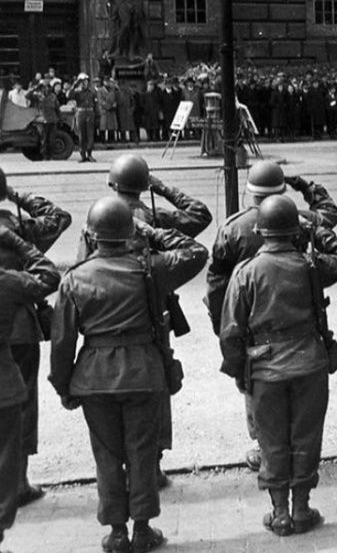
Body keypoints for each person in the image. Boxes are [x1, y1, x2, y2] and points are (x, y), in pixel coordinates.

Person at [50, 197, 207, 553]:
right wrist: (151, 230)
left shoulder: (75, 279)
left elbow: (62, 342)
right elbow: (196, 251)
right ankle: (142, 529)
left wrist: (63, 385)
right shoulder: (150, 268)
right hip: (143, 372)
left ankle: (117, 532)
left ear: (90, 234)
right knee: (141, 451)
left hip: (94, 377)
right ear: (130, 231)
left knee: (106, 455)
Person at [219, 195, 337, 537]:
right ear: (295, 229)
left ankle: (279, 513)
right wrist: (316, 229)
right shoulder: (309, 265)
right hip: (309, 361)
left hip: (264, 368)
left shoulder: (245, 272)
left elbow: (231, 331)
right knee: (306, 436)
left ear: (260, 231)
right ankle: (302, 507)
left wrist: (237, 371)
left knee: (272, 440)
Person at [206, 161, 337, 470]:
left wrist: (222, 325)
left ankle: (264, 448)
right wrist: (307, 186)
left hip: (253, 326)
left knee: (257, 386)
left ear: (249, 192)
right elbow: (330, 215)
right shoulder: (300, 220)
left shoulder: (232, 228)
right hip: (301, 326)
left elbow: (217, 284)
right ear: (282, 189)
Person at [86, 153, 212, 487]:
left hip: (108, 316)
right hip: (152, 312)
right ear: (144, 184)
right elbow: (200, 215)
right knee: (154, 389)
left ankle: (121, 472)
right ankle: (151, 467)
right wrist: (163, 188)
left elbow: (83, 267)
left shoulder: (98, 218)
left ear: (113, 183)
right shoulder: (155, 217)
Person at [0, 170, 72, 510]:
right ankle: (19, 482)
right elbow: (59, 217)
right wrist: (18, 197)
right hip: (18, 327)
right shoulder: (19, 229)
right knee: (22, 401)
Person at [0, 224, 60, 552]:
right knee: (12, 437)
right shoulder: (7, 281)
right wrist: (16, 240)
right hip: (9, 362)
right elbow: (49, 276)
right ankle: (18, 486)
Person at [68, 74, 100, 162]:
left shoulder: (92, 92)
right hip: (81, 112)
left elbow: (96, 103)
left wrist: (98, 115)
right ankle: (83, 155)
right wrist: (75, 84)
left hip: (90, 112)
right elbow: (68, 95)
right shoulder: (77, 92)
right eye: (83, 81)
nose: (85, 83)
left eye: (86, 81)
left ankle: (89, 154)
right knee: (81, 135)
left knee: (90, 135)